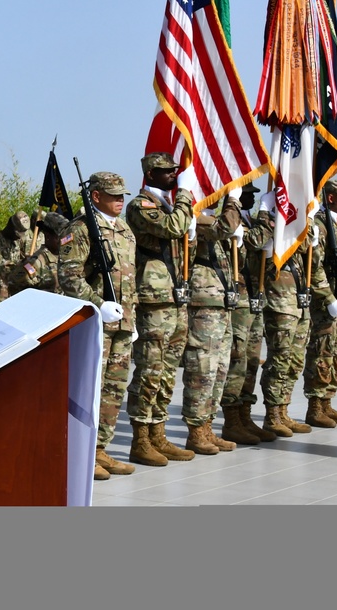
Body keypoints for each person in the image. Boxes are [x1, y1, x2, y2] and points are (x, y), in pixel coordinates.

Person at [57, 172, 138, 480]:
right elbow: (69, 277)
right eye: (114, 194)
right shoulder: (79, 229)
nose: (120, 200)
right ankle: (80, 453)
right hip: (95, 324)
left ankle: (100, 448)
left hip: (122, 324)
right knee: (89, 389)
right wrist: (97, 303)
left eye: (122, 195)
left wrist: (132, 319)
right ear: (96, 196)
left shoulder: (125, 230)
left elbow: (130, 277)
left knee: (114, 389)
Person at [247, 187, 337, 437]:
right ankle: (272, 414)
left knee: (295, 361)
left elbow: (314, 264)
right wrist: (266, 214)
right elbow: (256, 251)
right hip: (279, 300)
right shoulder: (270, 229)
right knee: (279, 359)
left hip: (300, 301)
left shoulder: (299, 233)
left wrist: (310, 236)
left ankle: (284, 410)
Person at [124, 152, 198, 467]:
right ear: (151, 174)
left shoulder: (167, 205)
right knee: (150, 369)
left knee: (167, 371)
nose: (174, 176)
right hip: (154, 298)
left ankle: (158, 434)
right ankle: (140, 439)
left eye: (175, 172)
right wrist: (185, 198)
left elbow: (182, 242)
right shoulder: (140, 206)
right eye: (167, 172)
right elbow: (171, 228)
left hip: (175, 296)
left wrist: (191, 233)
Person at [180, 190, 242, 455]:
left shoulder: (210, 219)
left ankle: (207, 426)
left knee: (219, 371)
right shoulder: (197, 219)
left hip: (221, 305)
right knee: (202, 371)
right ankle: (195, 431)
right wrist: (234, 201)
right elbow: (226, 226)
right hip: (203, 305)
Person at [219, 182, 277, 444]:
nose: (252, 199)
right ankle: (232, 421)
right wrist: (267, 215)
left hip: (254, 296)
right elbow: (254, 241)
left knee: (252, 361)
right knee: (238, 360)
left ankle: (245, 415)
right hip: (239, 299)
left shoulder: (249, 220)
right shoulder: (230, 220)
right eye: (247, 195)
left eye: (255, 196)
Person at [303, 179, 337, 427]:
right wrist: (328, 299)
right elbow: (314, 268)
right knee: (321, 353)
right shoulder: (319, 226)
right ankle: (315, 407)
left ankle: (327, 402)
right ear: (330, 197)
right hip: (326, 303)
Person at [0, 210, 32, 311]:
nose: (19, 237)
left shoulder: (17, 242)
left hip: (14, 296)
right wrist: (22, 265)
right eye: (18, 234)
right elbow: (0, 266)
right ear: (11, 228)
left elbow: (24, 258)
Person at [7, 211, 67, 296]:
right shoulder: (35, 264)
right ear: (48, 236)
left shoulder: (68, 257)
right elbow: (13, 286)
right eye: (60, 236)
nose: (64, 239)